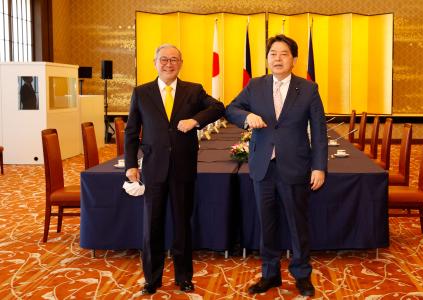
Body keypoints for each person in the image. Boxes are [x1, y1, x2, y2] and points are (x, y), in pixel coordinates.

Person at [225, 34, 327, 297]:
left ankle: (302, 274)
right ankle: (270, 274)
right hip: (263, 167)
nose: (278, 58)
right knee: (266, 224)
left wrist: (319, 167)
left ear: (293, 59)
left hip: (295, 166)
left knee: (298, 224)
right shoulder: (255, 85)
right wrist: (247, 116)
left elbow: (318, 130)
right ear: (267, 58)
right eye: (273, 53)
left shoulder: (308, 89)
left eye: (283, 54)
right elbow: (231, 109)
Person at [125, 44, 225, 295]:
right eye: (164, 60)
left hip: (183, 168)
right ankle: (152, 278)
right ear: (155, 62)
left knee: (182, 225)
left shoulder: (193, 90)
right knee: (152, 226)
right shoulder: (141, 92)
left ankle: (184, 277)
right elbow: (131, 132)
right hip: (153, 167)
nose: (168, 64)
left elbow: (218, 107)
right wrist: (130, 165)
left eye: (174, 60)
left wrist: (195, 121)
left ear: (181, 63)